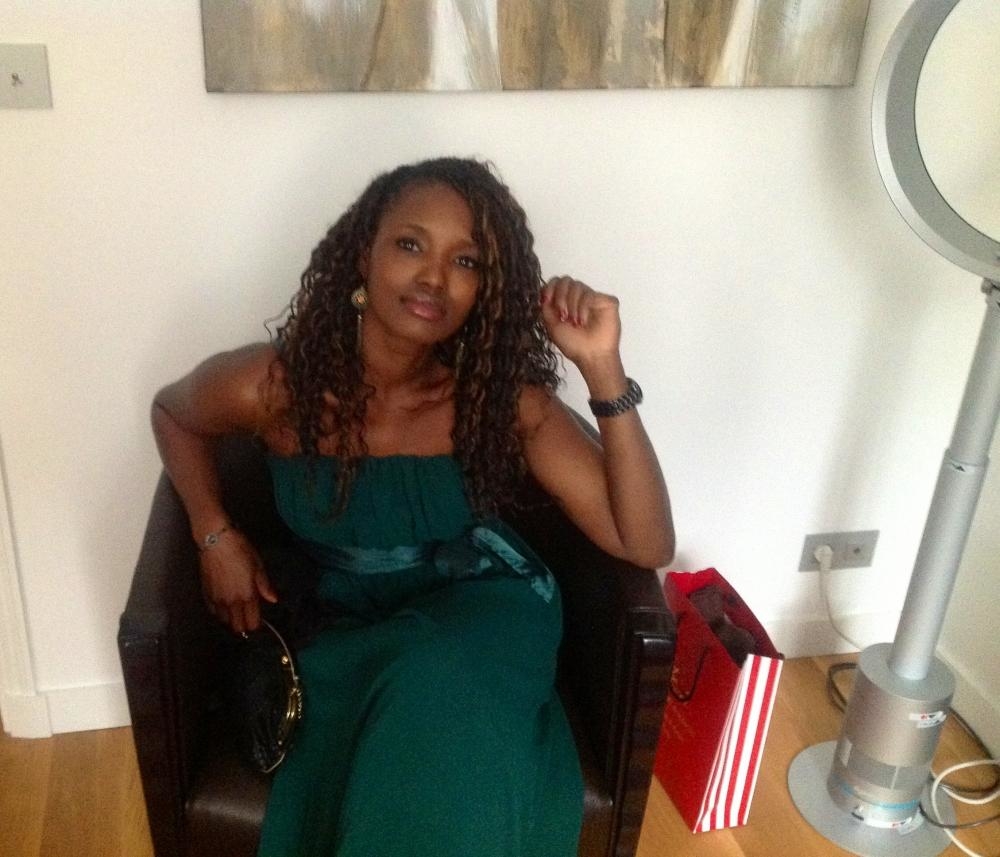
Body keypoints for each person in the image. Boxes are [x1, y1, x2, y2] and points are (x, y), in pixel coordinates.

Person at [151, 156, 674, 857]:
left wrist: (603, 369)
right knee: (409, 725)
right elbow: (173, 414)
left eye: (466, 261)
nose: (434, 278)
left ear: (485, 288)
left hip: (485, 611)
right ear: (362, 256)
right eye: (410, 244)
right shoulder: (275, 387)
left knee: (435, 678)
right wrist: (213, 532)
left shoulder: (499, 402)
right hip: (343, 625)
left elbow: (646, 542)